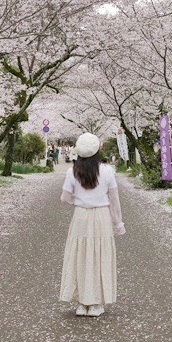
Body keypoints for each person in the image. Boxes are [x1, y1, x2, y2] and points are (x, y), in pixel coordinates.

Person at [59, 133, 126, 317]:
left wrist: (78, 201)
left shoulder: (72, 172)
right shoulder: (107, 171)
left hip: (80, 217)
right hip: (101, 216)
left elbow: (64, 198)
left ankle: (82, 304)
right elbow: (114, 200)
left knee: (80, 256)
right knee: (99, 257)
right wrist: (118, 223)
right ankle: (95, 303)